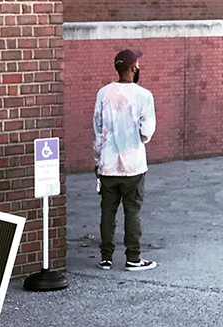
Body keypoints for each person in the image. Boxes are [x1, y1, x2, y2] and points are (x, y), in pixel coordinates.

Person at [93, 48, 157, 271]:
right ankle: (133, 257)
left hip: (108, 164)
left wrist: (97, 159)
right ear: (133, 68)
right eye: (137, 64)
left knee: (107, 212)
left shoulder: (103, 94)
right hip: (133, 165)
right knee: (132, 211)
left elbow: (98, 130)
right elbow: (147, 132)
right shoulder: (144, 96)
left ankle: (106, 258)